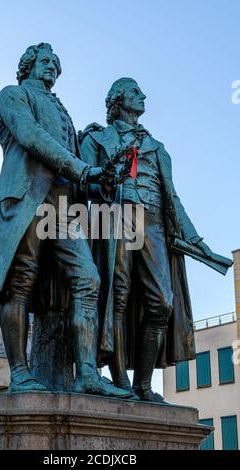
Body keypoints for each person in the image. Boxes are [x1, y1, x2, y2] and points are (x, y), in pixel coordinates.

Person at [0, 44, 131, 398]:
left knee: (88, 279)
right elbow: (33, 138)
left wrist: (98, 181)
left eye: (56, 66)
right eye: (45, 62)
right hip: (25, 199)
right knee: (21, 284)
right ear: (28, 65)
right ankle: (20, 373)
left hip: (62, 210)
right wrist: (82, 168)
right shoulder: (13, 95)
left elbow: (76, 167)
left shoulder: (64, 112)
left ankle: (87, 374)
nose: (52, 69)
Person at [80, 77, 212, 402]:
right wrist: (105, 185)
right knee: (117, 296)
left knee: (162, 303)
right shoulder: (97, 138)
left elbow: (174, 199)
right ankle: (121, 380)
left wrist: (195, 238)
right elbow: (81, 182)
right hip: (116, 216)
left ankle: (143, 383)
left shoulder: (158, 148)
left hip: (153, 224)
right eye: (136, 92)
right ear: (118, 99)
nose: (143, 97)